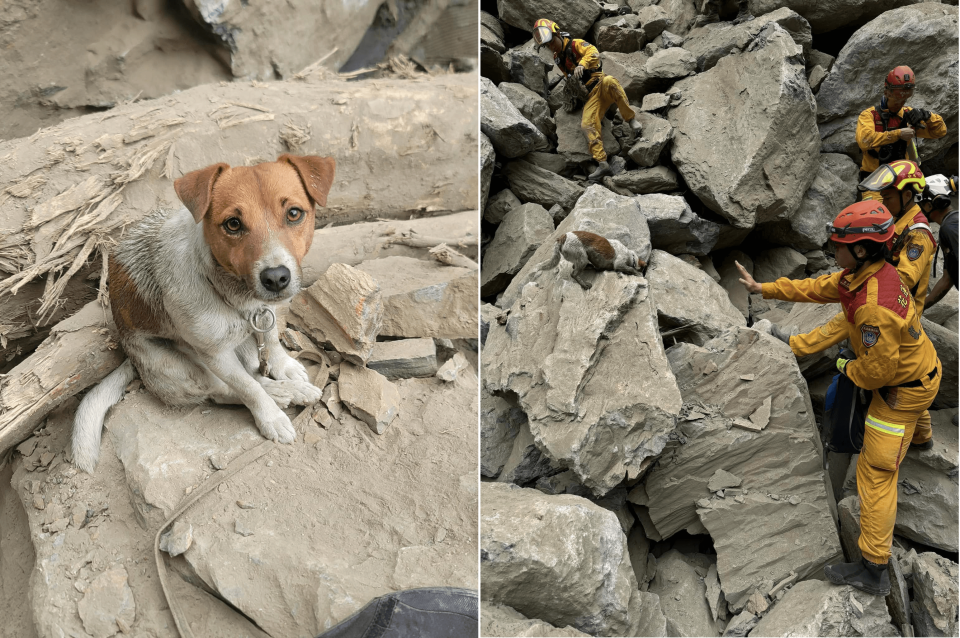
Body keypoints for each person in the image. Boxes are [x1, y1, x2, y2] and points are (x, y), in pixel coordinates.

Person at [736, 201, 941, 597]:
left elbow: (876, 374)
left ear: (861, 249)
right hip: (921, 366)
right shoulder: (871, 275)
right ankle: (922, 439)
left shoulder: (873, 308)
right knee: (846, 328)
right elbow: (821, 289)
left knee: (876, 476)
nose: (832, 250)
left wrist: (845, 368)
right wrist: (764, 288)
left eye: (838, 244)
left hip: (901, 392)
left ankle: (874, 568)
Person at [767, 161, 939, 449]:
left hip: (896, 307)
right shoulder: (893, 217)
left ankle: (906, 433)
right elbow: (872, 203)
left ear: (908, 195)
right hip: (888, 302)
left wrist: (874, 261)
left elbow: (907, 277)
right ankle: (922, 439)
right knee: (854, 326)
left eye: (889, 196)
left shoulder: (917, 234)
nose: (883, 200)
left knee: (885, 369)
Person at [533, 19, 641, 182]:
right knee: (586, 125)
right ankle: (602, 163)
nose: (551, 46)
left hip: (601, 83)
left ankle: (631, 119)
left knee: (611, 82)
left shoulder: (575, 44)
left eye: (551, 42)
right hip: (590, 95)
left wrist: (582, 65)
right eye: (547, 46)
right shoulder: (558, 58)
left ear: (557, 34)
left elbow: (593, 52)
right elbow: (567, 76)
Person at [856, 66, 947, 200]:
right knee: (879, 217)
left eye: (904, 100)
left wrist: (926, 115)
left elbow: (940, 131)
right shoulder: (869, 115)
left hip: (902, 182)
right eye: (897, 99)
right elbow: (864, 141)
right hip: (874, 182)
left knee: (912, 218)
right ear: (887, 93)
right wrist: (897, 134)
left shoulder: (908, 115)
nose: (901, 103)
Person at [917, 174, 958, 309]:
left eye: (921, 204)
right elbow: (948, 279)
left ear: (929, 205)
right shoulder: (951, 224)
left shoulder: (950, 227)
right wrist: (920, 307)